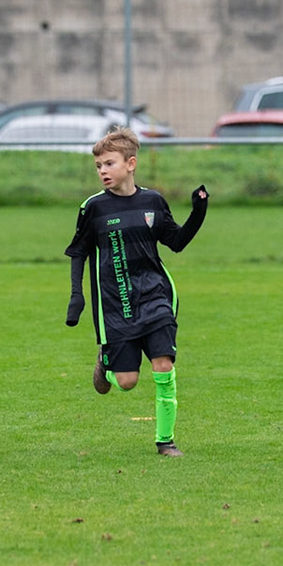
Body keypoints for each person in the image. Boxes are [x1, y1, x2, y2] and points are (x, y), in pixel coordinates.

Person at [65, 127, 207, 457]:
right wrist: (76, 296)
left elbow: (176, 242)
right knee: (127, 381)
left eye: (109, 163)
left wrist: (198, 211)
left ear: (131, 164)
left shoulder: (152, 201)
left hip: (155, 296)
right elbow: (78, 252)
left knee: (163, 365)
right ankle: (106, 363)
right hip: (115, 303)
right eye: (98, 166)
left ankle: (165, 441)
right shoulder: (93, 208)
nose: (102, 171)